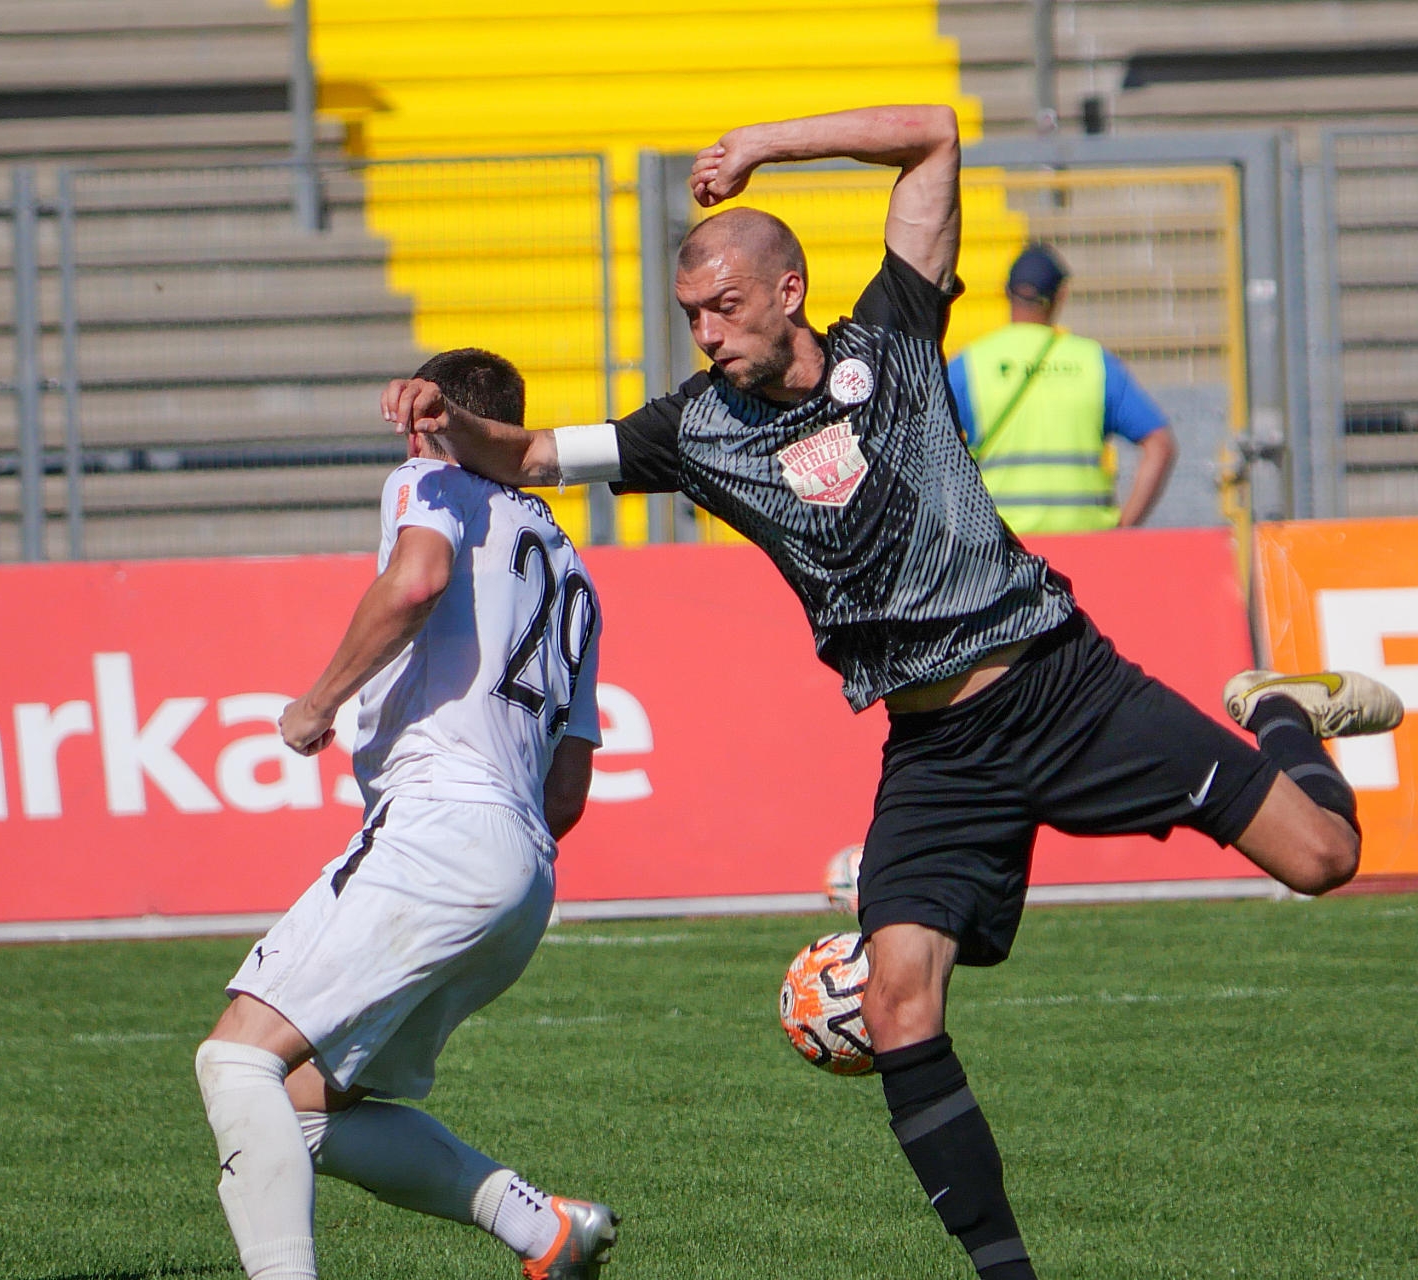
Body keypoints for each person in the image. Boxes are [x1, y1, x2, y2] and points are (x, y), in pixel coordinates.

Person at [380, 105, 1403, 1279]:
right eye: (691, 314)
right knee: (901, 1004)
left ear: (789, 290)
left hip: (1063, 683)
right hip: (937, 755)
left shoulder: (896, 335)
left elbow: (932, 137)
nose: (706, 333)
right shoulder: (695, 427)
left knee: (1324, 856)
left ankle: (1278, 707)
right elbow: (531, 455)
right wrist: (449, 420)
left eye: (723, 307)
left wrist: (762, 145)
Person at [193, 348, 618, 1280]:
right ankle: (544, 1231)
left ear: (437, 425)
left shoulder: (432, 478)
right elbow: (568, 792)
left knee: (235, 1063)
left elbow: (417, 581)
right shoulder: (576, 576)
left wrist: (315, 705)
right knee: (301, 1110)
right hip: (523, 874)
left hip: (440, 828)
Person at [947, 242, 1178, 532]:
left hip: (1003, 543)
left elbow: (927, 449)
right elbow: (1160, 444)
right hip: (1087, 542)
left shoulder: (970, 364)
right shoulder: (1094, 362)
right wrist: (1125, 529)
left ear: (1006, 292)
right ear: (1061, 295)